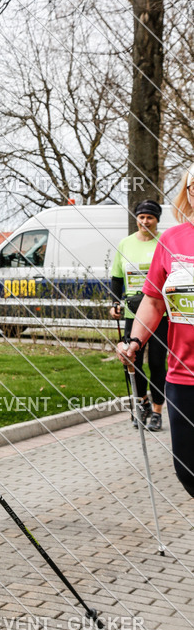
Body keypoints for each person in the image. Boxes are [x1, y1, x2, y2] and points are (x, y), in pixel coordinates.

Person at [117, 168, 194, 498]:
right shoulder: (172, 240)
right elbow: (152, 300)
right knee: (187, 470)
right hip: (183, 377)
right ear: (187, 192)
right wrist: (135, 340)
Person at [109, 200, 167, 431]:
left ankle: (157, 411)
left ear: (157, 220)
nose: (145, 221)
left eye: (150, 217)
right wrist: (114, 302)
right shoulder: (125, 243)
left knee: (156, 362)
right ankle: (142, 403)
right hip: (133, 312)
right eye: (141, 217)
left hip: (160, 313)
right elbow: (116, 278)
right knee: (130, 360)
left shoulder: (164, 242)